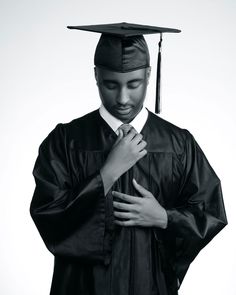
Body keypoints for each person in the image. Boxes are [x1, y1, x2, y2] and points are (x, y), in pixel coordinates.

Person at [30, 23, 227, 295]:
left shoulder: (178, 144)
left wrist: (165, 218)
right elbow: (49, 217)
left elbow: (211, 212)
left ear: (148, 75)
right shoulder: (66, 141)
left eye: (133, 84)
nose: (123, 98)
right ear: (96, 76)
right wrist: (106, 174)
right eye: (111, 85)